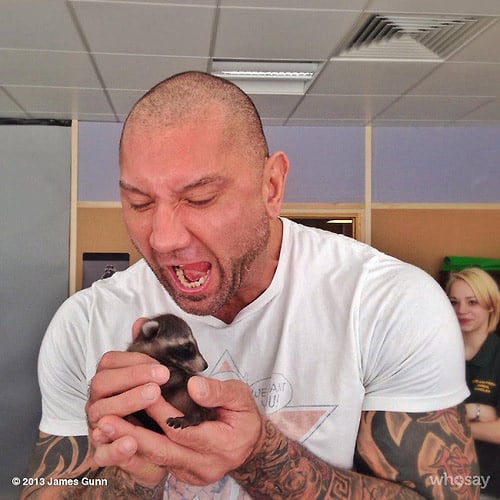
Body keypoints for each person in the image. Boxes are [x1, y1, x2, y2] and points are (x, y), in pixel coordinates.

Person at [22, 71, 478, 499]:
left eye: (199, 198)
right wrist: (131, 474)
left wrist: (261, 456)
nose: (163, 238)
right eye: (139, 203)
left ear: (271, 186)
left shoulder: (389, 303)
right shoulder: (84, 323)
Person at [446, 268, 500, 499]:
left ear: (491, 306)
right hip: (434, 477)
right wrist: (479, 412)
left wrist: (454, 422)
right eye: (454, 302)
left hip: (487, 483)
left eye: (472, 302)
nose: (461, 310)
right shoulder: (436, 351)